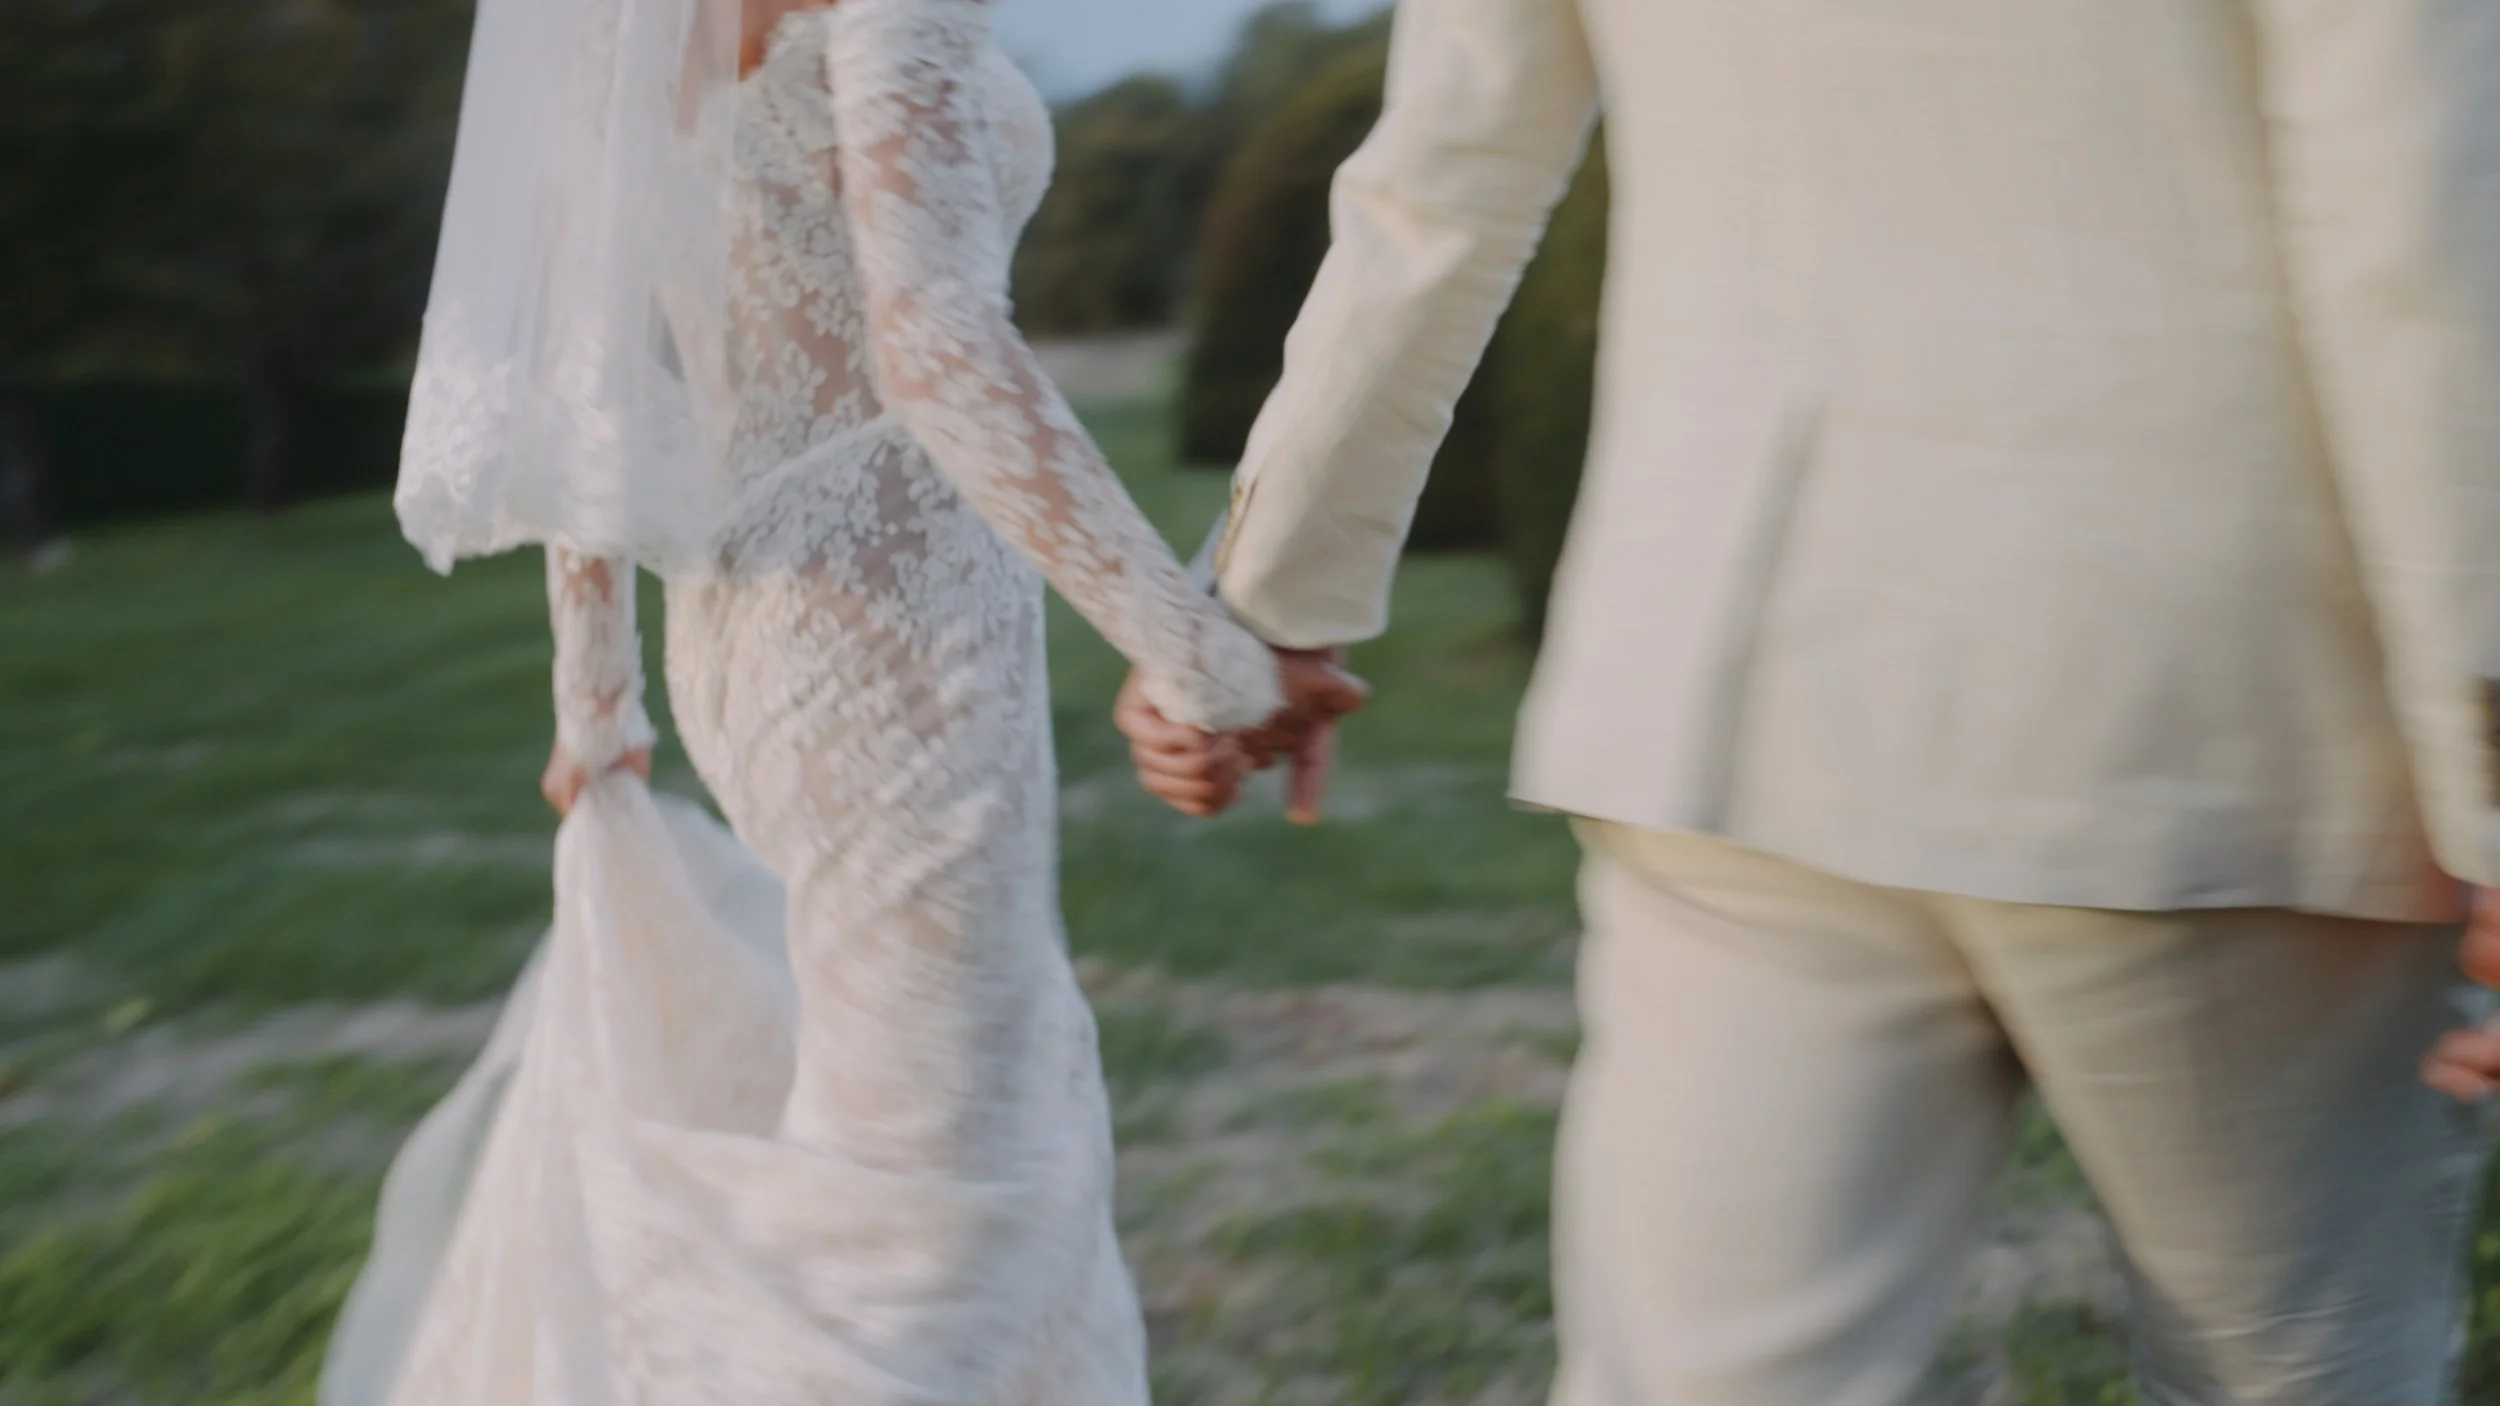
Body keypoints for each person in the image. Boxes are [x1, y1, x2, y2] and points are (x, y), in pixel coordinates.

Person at [1120, 0, 2500, 1400]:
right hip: (2219, 714)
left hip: (1731, 693)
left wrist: (1264, 602)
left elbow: (1441, 184)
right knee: (2298, 1370)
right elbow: (2420, 249)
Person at [322, 0, 1363, 1402]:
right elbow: (936, 342)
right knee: (947, 1215)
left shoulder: (620, 30)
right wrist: (1207, 661)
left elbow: (593, 364)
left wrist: (598, 701)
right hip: (903, 664)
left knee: (901, 1167)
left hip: (743, 653)